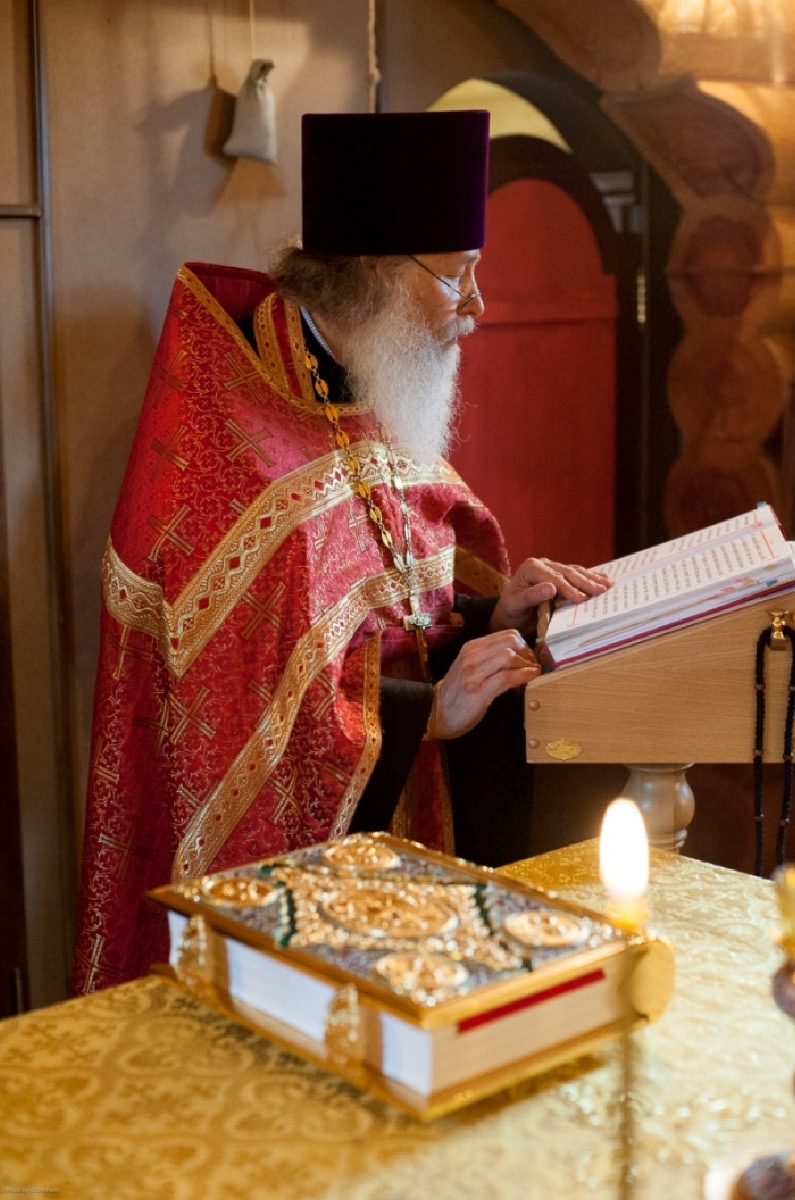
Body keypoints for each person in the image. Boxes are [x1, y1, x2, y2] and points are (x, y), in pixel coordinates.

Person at [72, 110, 610, 994]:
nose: (477, 305)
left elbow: (396, 612)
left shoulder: (372, 385)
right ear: (375, 273)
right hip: (307, 885)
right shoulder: (230, 445)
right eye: (456, 276)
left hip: (411, 823)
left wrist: (491, 615)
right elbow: (238, 713)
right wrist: (425, 714)